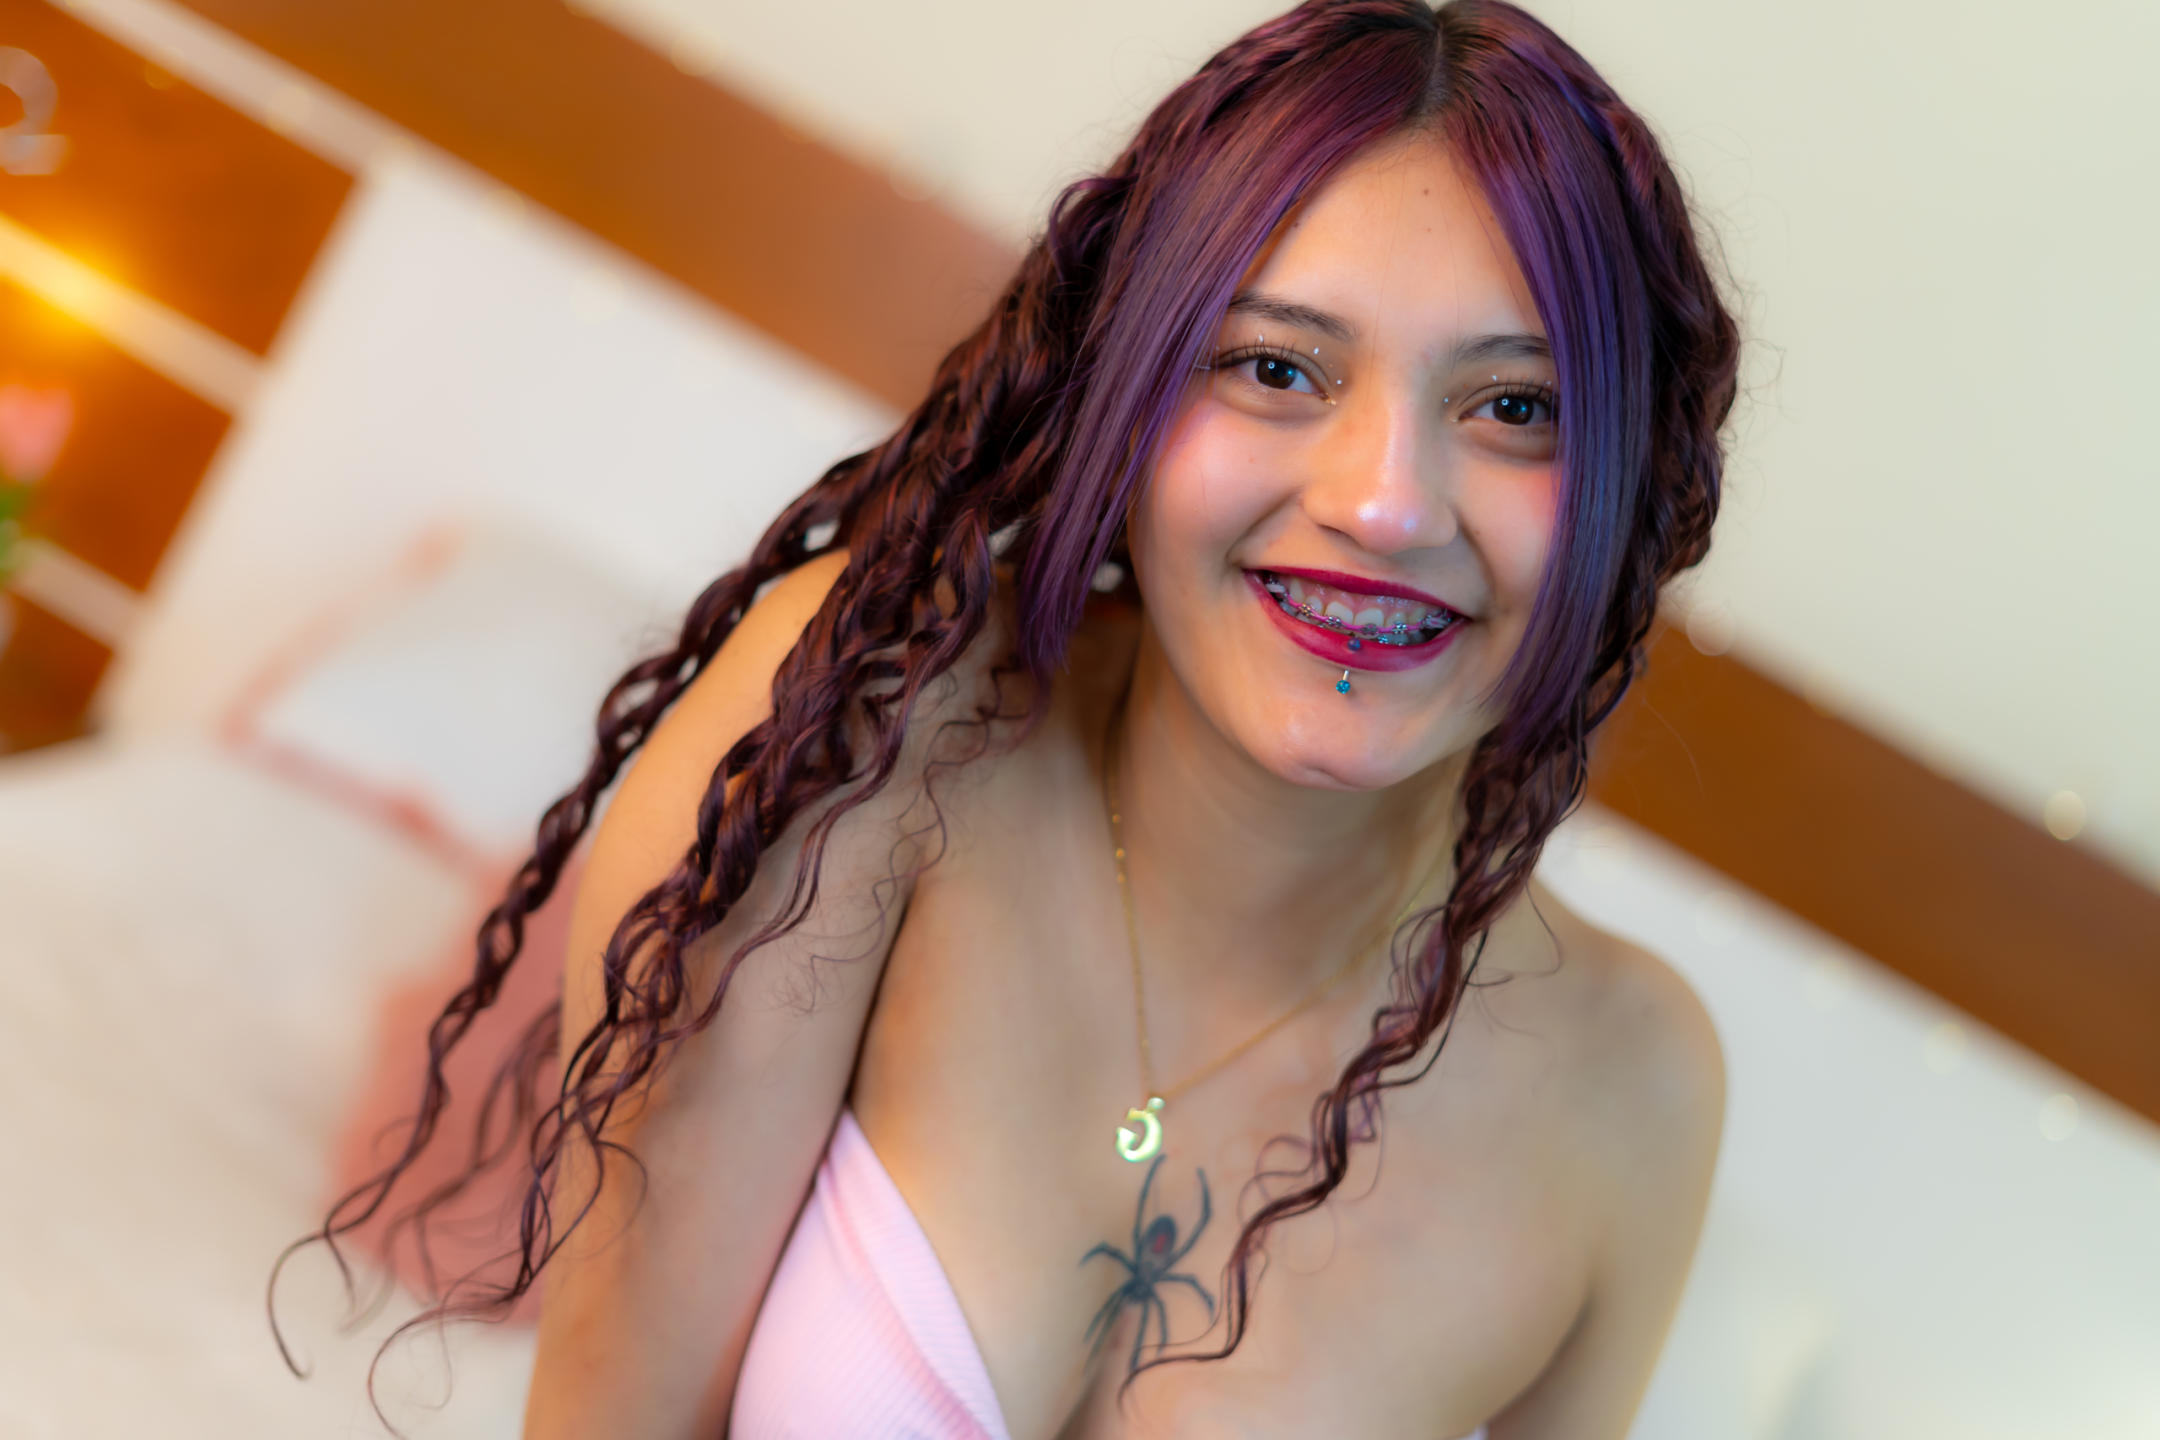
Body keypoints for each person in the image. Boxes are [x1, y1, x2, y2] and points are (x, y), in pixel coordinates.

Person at [292, 1, 1740, 1434]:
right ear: (1128, 398)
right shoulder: (876, 727)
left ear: (1629, 488)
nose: (1385, 504)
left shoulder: (1635, 1092)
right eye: (1276, 368)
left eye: (1516, 408)